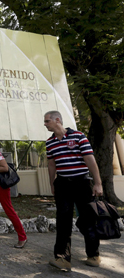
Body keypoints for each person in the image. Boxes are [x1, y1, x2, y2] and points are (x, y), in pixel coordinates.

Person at [44, 110, 103, 271]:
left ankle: (93, 255)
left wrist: (98, 183)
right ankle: (62, 258)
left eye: (47, 121)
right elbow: (51, 165)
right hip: (63, 184)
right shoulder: (49, 143)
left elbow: (90, 159)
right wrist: (52, 184)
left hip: (82, 183)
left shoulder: (78, 136)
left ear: (57, 120)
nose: (45, 124)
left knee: (87, 219)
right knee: (63, 220)